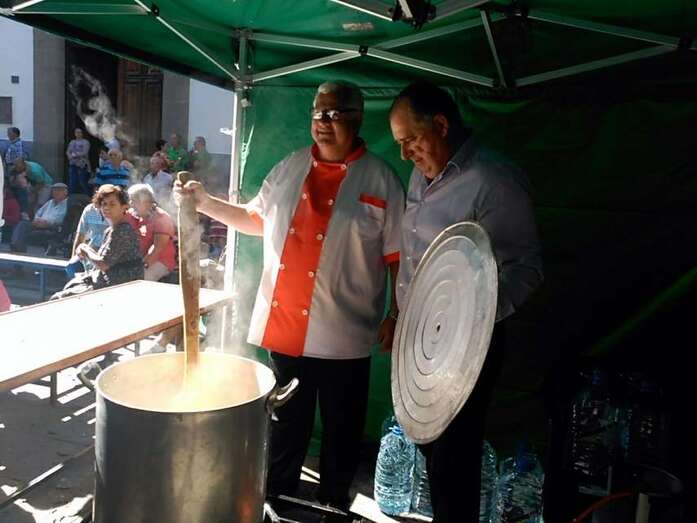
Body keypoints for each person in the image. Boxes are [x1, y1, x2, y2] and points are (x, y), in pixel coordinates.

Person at [175, 80, 404, 508]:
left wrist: (397, 313)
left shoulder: (382, 179)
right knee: (284, 428)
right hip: (284, 329)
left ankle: (333, 506)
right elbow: (254, 218)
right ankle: (276, 503)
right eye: (318, 113)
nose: (323, 122)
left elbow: (397, 258)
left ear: (357, 119)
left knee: (341, 433)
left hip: (344, 334)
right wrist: (204, 202)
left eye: (334, 114)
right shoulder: (290, 166)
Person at [389, 81, 543, 522]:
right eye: (399, 144)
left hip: (466, 347)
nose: (406, 154)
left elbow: (526, 269)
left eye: (411, 140)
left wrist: (470, 322)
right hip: (421, 339)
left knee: (454, 457)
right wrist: (400, 314)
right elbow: (418, 258)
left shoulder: (493, 180)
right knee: (431, 449)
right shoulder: (422, 174)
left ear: (441, 125)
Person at [52, 184, 143, 300]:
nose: (107, 208)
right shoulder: (110, 230)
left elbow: (104, 264)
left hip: (121, 287)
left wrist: (85, 249)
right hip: (108, 282)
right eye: (104, 204)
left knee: (59, 298)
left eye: (112, 204)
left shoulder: (123, 231)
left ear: (124, 207)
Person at [126, 183, 176, 282]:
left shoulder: (161, 218)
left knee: (139, 280)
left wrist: (141, 267)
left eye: (134, 201)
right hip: (140, 259)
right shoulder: (134, 215)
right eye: (130, 200)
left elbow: (157, 249)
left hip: (159, 261)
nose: (131, 204)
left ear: (146, 202)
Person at [10, 182, 69, 252]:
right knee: (22, 224)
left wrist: (47, 222)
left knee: (24, 226)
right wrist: (37, 220)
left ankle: (17, 245)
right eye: (54, 190)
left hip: (51, 226)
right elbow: (38, 213)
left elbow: (61, 218)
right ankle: (17, 245)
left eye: (59, 190)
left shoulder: (67, 204)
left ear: (65, 192)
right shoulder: (50, 202)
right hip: (39, 223)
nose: (56, 192)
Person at [65, 201, 109, 278]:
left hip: (108, 251)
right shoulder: (89, 210)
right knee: (71, 266)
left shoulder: (114, 211)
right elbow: (80, 236)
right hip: (91, 250)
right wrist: (73, 257)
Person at [66, 128, 92, 195]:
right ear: (75, 134)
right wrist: (69, 156)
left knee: (82, 181)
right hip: (73, 164)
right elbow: (68, 151)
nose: (78, 134)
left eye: (80, 132)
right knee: (72, 181)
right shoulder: (72, 142)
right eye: (77, 132)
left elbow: (84, 152)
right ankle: (72, 196)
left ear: (82, 134)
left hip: (82, 164)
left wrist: (74, 155)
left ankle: (87, 196)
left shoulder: (86, 142)